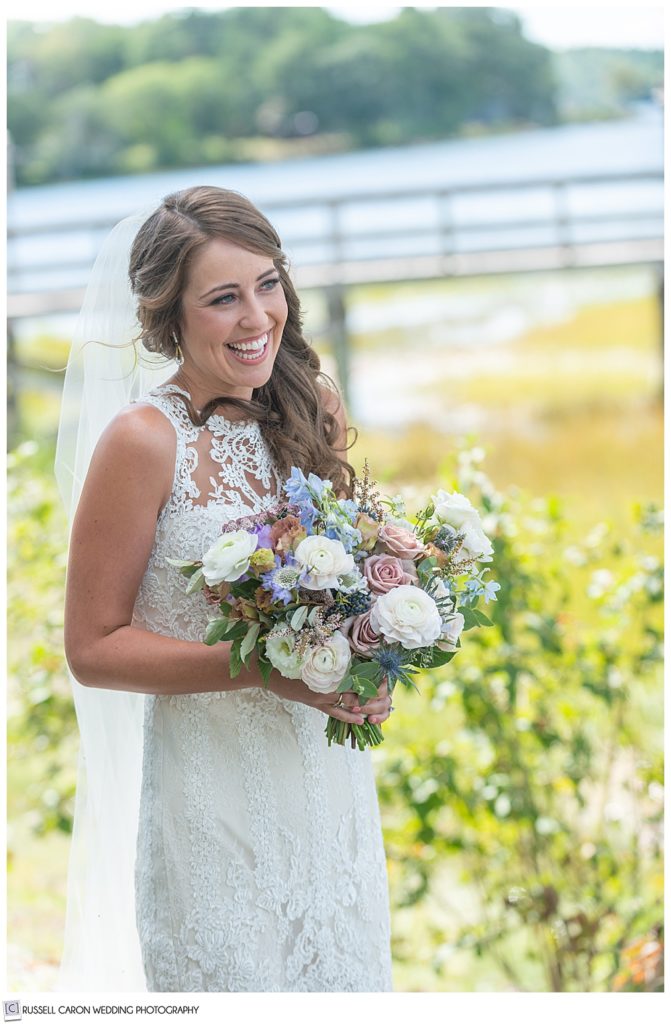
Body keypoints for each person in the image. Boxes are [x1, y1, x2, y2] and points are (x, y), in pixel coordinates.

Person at [57, 185, 393, 993]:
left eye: (268, 284)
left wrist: (373, 651)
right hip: (211, 807)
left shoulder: (312, 404)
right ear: (166, 315)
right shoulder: (143, 439)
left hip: (327, 793)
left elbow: (341, 586)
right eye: (223, 298)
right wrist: (266, 670)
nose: (257, 318)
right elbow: (93, 648)